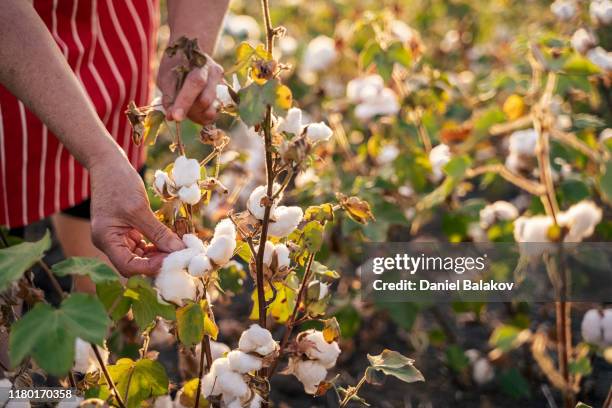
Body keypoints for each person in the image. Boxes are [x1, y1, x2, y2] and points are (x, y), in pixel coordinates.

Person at [0, 0, 229, 282]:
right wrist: (101, 158)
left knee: (109, 274)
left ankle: (108, 320)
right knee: (9, 277)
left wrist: (190, 47)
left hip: (112, 26)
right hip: (11, 40)